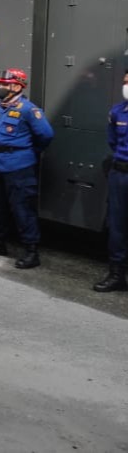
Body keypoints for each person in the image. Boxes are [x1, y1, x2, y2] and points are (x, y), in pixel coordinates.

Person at [0, 68, 54, 269]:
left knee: (22, 209)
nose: (0, 88)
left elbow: (46, 135)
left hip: (18, 166)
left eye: (4, 84)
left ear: (16, 86)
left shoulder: (29, 110)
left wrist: (26, 153)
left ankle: (31, 251)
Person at [96, 70, 128, 291]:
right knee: (117, 226)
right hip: (121, 174)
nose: (126, 85)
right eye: (125, 81)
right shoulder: (117, 111)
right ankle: (117, 275)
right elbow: (113, 141)